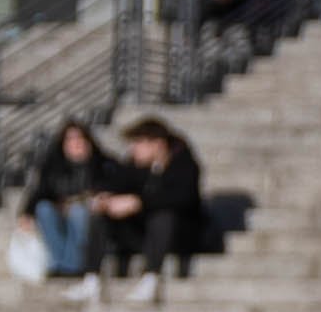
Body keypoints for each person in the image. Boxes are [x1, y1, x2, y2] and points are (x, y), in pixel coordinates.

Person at [88, 117, 207, 297]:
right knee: (101, 216)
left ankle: (152, 277)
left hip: (178, 235)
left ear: (157, 144)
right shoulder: (133, 165)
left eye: (138, 143)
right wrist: (107, 199)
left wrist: (139, 203)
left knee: (164, 216)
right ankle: (92, 278)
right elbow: (116, 183)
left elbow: (183, 199)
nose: (133, 149)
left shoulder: (185, 165)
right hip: (141, 233)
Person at [22, 118, 121, 285]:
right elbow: (40, 192)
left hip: (91, 217)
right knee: (43, 209)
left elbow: (114, 188)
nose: (76, 143)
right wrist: (26, 213)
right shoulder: (53, 166)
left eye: (79, 138)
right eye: (70, 139)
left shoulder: (104, 164)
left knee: (78, 212)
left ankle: (73, 266)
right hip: (60, 215)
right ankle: (58, 264)